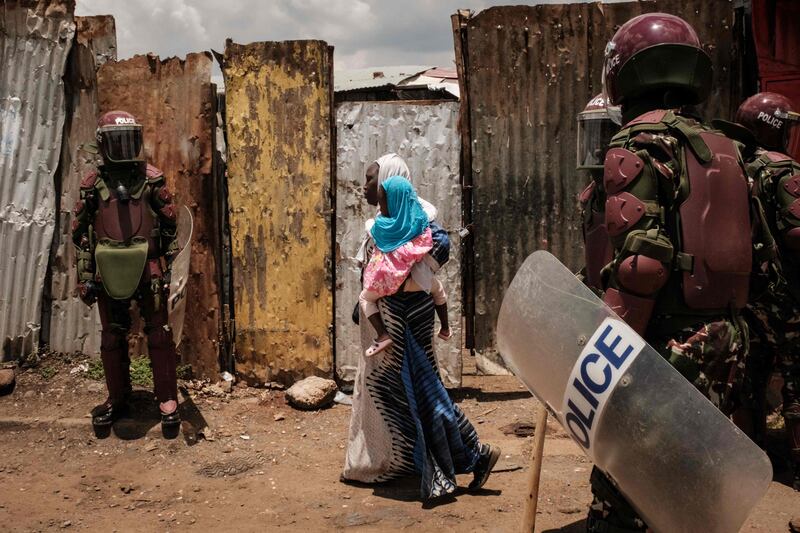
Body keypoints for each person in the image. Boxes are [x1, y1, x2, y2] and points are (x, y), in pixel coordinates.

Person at [588, 13, 754, 532]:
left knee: (629, 483)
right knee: (696, 477)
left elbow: (642, 265)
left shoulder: (638, 144)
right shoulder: (728, 147)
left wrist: (604, 354)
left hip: (664, 346)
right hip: (725, 336)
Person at [343, 153, 499, 501]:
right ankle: (408, 462)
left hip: (403, 320)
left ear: (389, 183)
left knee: (425, 394)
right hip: (389, 320)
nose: (367, 187)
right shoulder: (392, 219)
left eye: (373, 180)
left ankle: (470, 456)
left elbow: (428, 264)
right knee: (411, 396)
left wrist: (394, 285)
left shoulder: (421, 222)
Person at [72, 110, 181, 438]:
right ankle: (118, 398)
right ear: (104, 143)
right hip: (107, 269)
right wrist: (85, 275)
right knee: (111, 337)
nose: (123, 147)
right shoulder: (92, 185)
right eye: (117, 141)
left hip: (147, 267)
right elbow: (80, 235)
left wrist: (167, 264)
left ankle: (168, 400)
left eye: (128, 140)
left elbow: (170, 224)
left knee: (159, 334)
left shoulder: (151, 179)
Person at [720, 92, 800, 490]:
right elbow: (796, 231)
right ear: (778, 129)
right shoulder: (785, 170)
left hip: (746, 293)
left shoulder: (735, 167)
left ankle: (751, 463)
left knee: (749, 378)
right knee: (795, 380)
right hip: (788, 297)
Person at [359, 176, 450, 357]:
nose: (381, 205)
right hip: (417, 281)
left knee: (365, 299)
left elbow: (371, 229)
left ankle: (382, 335)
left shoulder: (383, 226)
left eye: (383, 201)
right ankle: (446, 328)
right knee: (439, 291)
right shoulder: (419, 223)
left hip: (388, 284)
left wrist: (370, 223)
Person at [577, 94, 618, 292]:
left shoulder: (634, 198)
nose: (598, 147)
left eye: (607, 135)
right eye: (594, 135)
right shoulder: (590, 198)